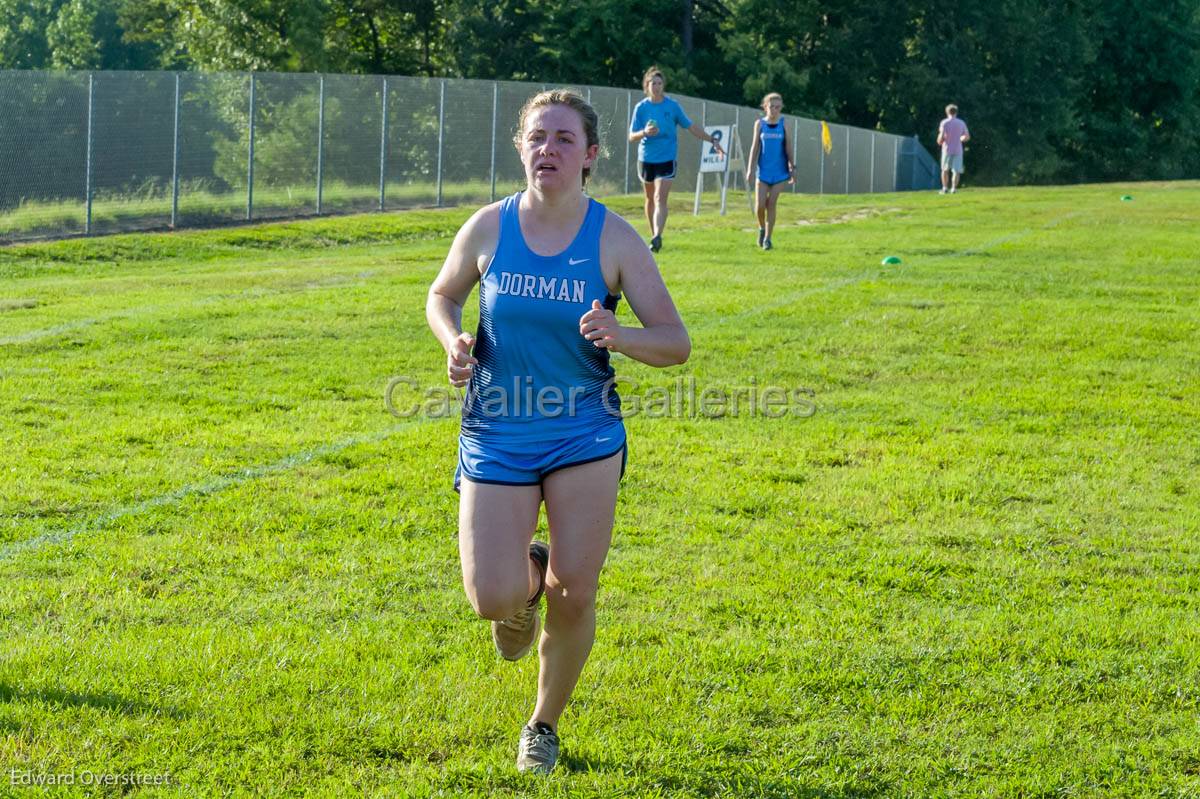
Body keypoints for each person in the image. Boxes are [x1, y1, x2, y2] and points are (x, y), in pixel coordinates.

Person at [426, 89, 691, 775]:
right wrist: (454, 338)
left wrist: (622, 333)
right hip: (497, 430)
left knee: (577, 591)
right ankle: (527, 575)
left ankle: (542, 725)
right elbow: (442, 293)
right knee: (491, 597)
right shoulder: (488, 227)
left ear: (591, 155)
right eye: (537, 137)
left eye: (564, 139)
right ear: (520, 147)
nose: (549, 149)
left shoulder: (614, 238)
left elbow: (675, 341)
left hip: (583, 433)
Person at [628, 66, 724, 253]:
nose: (656, 86)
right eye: (652, 83)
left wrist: (712, 139)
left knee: (659, 197)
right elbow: (631, 136)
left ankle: (657, 236)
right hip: (646, 158)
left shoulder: (672, 106)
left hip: (667, 157)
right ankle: (653, 234)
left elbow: (691, 126)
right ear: (646, 86)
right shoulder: (641, 108)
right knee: (649, 198)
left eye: (659, 83)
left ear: (663, 85)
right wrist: (644, 132)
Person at [745, 92, 795, 251]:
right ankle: (761, 228)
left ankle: (768, 238)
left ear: (781, 108)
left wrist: (792, 167)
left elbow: (788, 146)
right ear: (765, 107)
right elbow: (755, 148)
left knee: (771, 203)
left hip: (780, 172)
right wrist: (750, 170)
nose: (774, 110)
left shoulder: (784, 124)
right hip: (763, 172)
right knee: (760, 205)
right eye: (771, 106)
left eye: (777, 107)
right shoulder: (759, 124)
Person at [937, 104, 970, 194]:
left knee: (944, 170)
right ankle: (954, 188)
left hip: (946, 149)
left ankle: (945, 188)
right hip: (958, 149)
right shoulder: (961, 123)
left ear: (947, 112)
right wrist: (960, 139)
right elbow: (967, 136)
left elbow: (941, 136)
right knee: (956, 170)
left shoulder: (944, 122)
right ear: (956, 112)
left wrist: (940, 141)